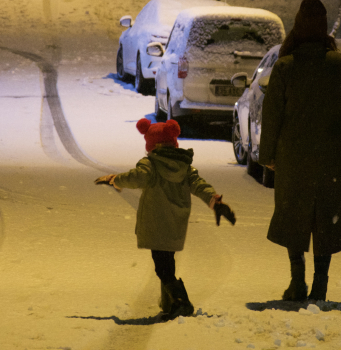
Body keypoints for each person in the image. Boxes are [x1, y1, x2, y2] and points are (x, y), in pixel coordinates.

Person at [259, 0, 341, 302]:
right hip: (329, 156)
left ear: (299, 25)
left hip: (293, 157)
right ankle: (320, 284)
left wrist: (267, 156)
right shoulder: (339, 65)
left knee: (294, 215)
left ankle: (296, 282)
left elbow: (271, 115)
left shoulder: (285, 66)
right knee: (325, 218)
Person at [95, 118, 236, 319]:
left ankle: (182, 302)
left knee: (163, 269)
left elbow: (136, 177)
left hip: (156, 222)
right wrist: (215, 201)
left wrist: (114, 179)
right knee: (167, 262)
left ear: (150, 145)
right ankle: (170, 302)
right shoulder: (185, 167)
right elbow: (199, 184)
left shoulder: (150, 164)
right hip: (175, 223)